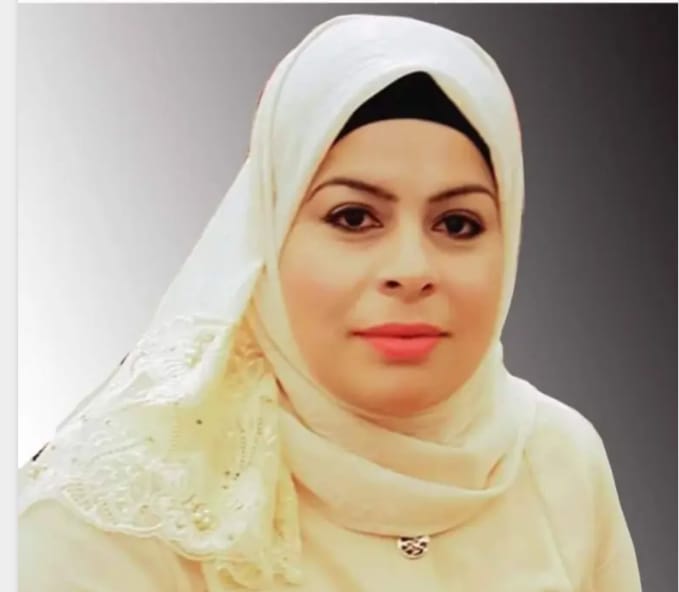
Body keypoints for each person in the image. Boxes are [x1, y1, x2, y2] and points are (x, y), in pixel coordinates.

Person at [17, 13, 642, 592]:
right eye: (353, 217)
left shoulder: (558, 460)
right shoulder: (120, 515)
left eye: (457, 224)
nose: (411, 271)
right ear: (267, 234)